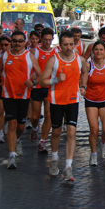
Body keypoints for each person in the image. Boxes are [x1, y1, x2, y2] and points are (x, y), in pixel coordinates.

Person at [39, 31, 88, 181]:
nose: (68, 47)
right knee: (56, 132)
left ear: (75, 44)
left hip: (73, 100)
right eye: (65, 44)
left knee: (72, 132)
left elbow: (85, 71)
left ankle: (68, 167)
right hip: (56, 100)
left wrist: (83, 86)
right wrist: (55, 80)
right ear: (60, 45)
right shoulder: (54, 60)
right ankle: (54, 159)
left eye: (71, 44)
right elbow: (42, 81)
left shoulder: (80, 60)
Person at [0, 31, 41, 169]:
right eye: (15, 41)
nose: (17, 43)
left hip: (23, 95)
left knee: (20, 127)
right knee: (12, 124)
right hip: (8, 95)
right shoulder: (5, 55)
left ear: (25, 42)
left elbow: (40, 75)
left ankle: (18, 140)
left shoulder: (30, 56)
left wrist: (32, 82)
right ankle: (11, 156)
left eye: (20, 41)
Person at [31, 28, 57, 152]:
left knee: (48, 114)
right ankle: (35, 128)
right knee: (35, 116)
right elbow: (30, 71)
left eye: (49, 39)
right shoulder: (35, 52)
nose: (47, 42)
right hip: (37, 87)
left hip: (50, 87)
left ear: (52, 39)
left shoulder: (56, 52)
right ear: (41, 39)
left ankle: (43, 141)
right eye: (45, 40)